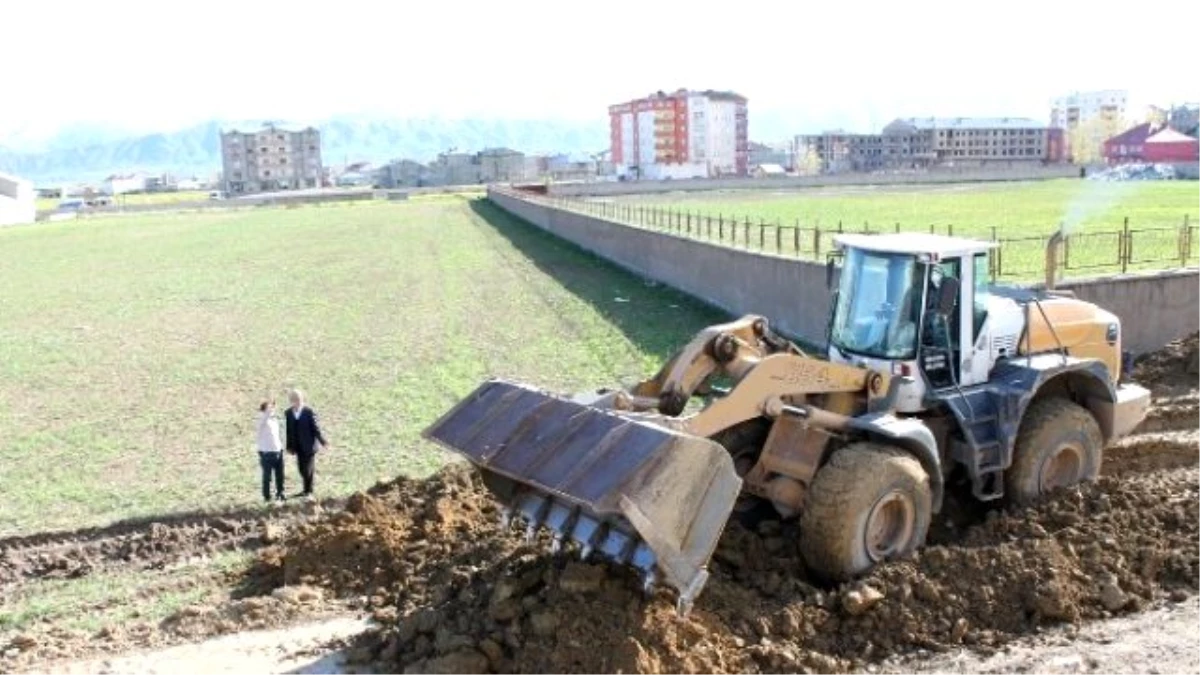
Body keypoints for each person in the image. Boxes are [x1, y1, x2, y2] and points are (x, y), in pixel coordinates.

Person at [284, 388, 330, 500]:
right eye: (295, 400)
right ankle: (306, 490)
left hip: (309, 445)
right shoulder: (288, 413)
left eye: (299, 400)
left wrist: (323, 441)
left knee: (308, 469)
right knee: (301, 468)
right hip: (297, 446)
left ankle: (309, 491)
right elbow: (289, 431)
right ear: (291, 401)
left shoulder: (309, 412)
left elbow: (316, 428)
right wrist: (289, 446)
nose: (298, 402)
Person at [256, 399, 286, 504]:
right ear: (264, 409)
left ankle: (280, 494)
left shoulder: (274, 420)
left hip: (278, 451)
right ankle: (267, 496)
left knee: (280, 475)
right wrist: (266, 413)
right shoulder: (261, 419)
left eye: (273, 407)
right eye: (269, 407)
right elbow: (262, 421)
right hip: (266, 453)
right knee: (267, 477)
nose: (272, 409)